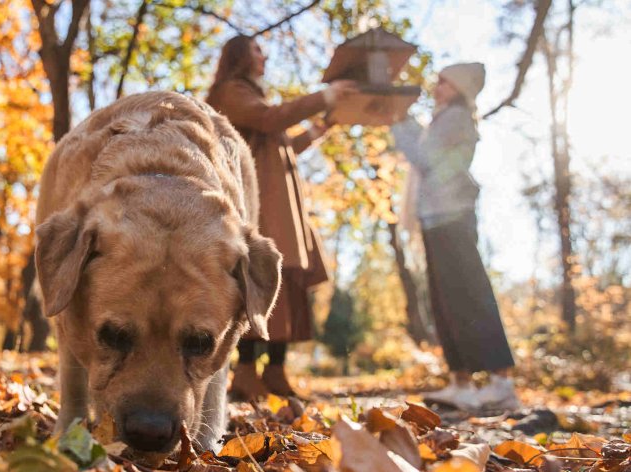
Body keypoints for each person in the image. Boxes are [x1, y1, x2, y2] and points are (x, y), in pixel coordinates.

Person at [207, 35, 356, 399]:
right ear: (239, 56)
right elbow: (270, 120)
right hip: (258, 208)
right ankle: (245, 371)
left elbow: (283, 143)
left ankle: (274, 371)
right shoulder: (230, 91)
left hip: (280, 208)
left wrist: (319, 130)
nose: (265, 55)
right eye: (257, 49)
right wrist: (326, 96)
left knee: (285, 284)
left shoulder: (253, 97)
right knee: (257, 279)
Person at [392, 63, 520, 411]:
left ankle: (501, 382)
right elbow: (427, 153)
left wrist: (398, 118)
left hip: (451, 218)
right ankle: (460, 382)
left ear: (460, 88)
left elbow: (425, 158)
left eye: (444, 84)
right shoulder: (443, 118)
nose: (437, 89)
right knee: (445, 302)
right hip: (436, 218)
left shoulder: (456, 117)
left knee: (470, 296)